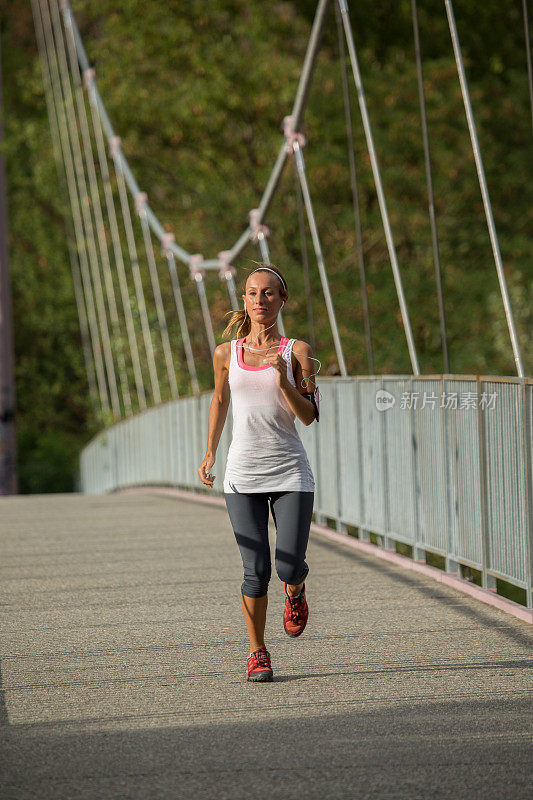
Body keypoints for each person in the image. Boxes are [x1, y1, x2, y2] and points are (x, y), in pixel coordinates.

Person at [197, 263, 320, 682]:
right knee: (255, 570)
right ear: (244, 301)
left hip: (290, 474)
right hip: (241, 476)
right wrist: (210, 451)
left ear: (282, 300)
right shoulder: (225, 353)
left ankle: (296, 591)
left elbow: (309, 416)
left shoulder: (296, 352)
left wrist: (285, 383)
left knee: (287, 567)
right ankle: (257, 652)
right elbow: (219, 400)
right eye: (252, 293)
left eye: (269, 293)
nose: (260, 300)